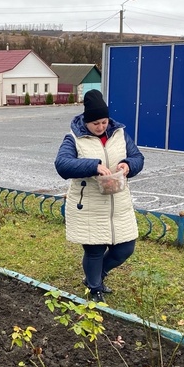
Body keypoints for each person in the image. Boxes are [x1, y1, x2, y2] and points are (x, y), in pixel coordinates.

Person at [54, 89, 145, 303]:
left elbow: (137, 157)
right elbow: (62, 165)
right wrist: (94, 166)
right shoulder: (74, 138)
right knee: (94, 249)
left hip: (118, 203)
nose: (101, 127)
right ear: (86, 121)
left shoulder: (120, 133)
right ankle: (94, 287)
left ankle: (96, 278)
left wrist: (128, 165)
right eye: (96, 123)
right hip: (89, 205)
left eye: (104, 122)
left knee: (125, 248)